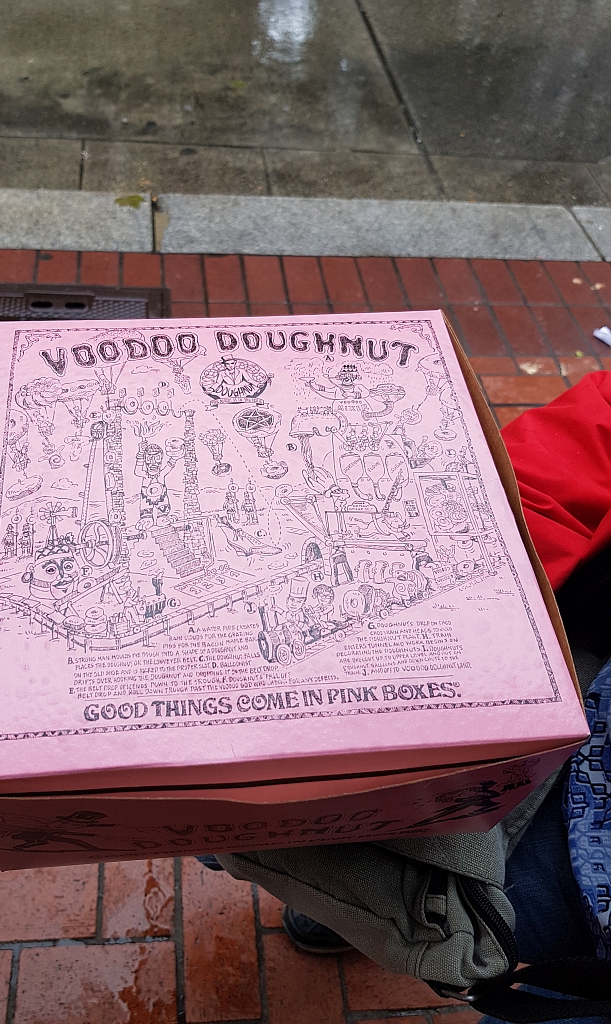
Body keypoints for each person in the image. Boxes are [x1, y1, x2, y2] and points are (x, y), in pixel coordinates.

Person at [200, 371, 611, 1022]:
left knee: (501, 962)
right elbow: (568, 460)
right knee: (249, 800)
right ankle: (354, 905)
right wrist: (467, 577)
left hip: (587, 892)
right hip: (558, 678)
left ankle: (370, 901)